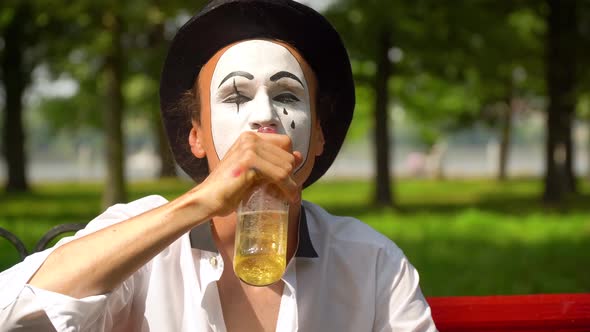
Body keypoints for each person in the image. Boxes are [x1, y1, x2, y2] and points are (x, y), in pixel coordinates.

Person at [0, 0, 437, 331]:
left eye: (287, 96)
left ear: (319, 134)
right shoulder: (145, 243)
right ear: (196, 134)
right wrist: (200, 202)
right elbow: (13, 313)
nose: (264, 116)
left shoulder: (371, 263)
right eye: (236, 97)